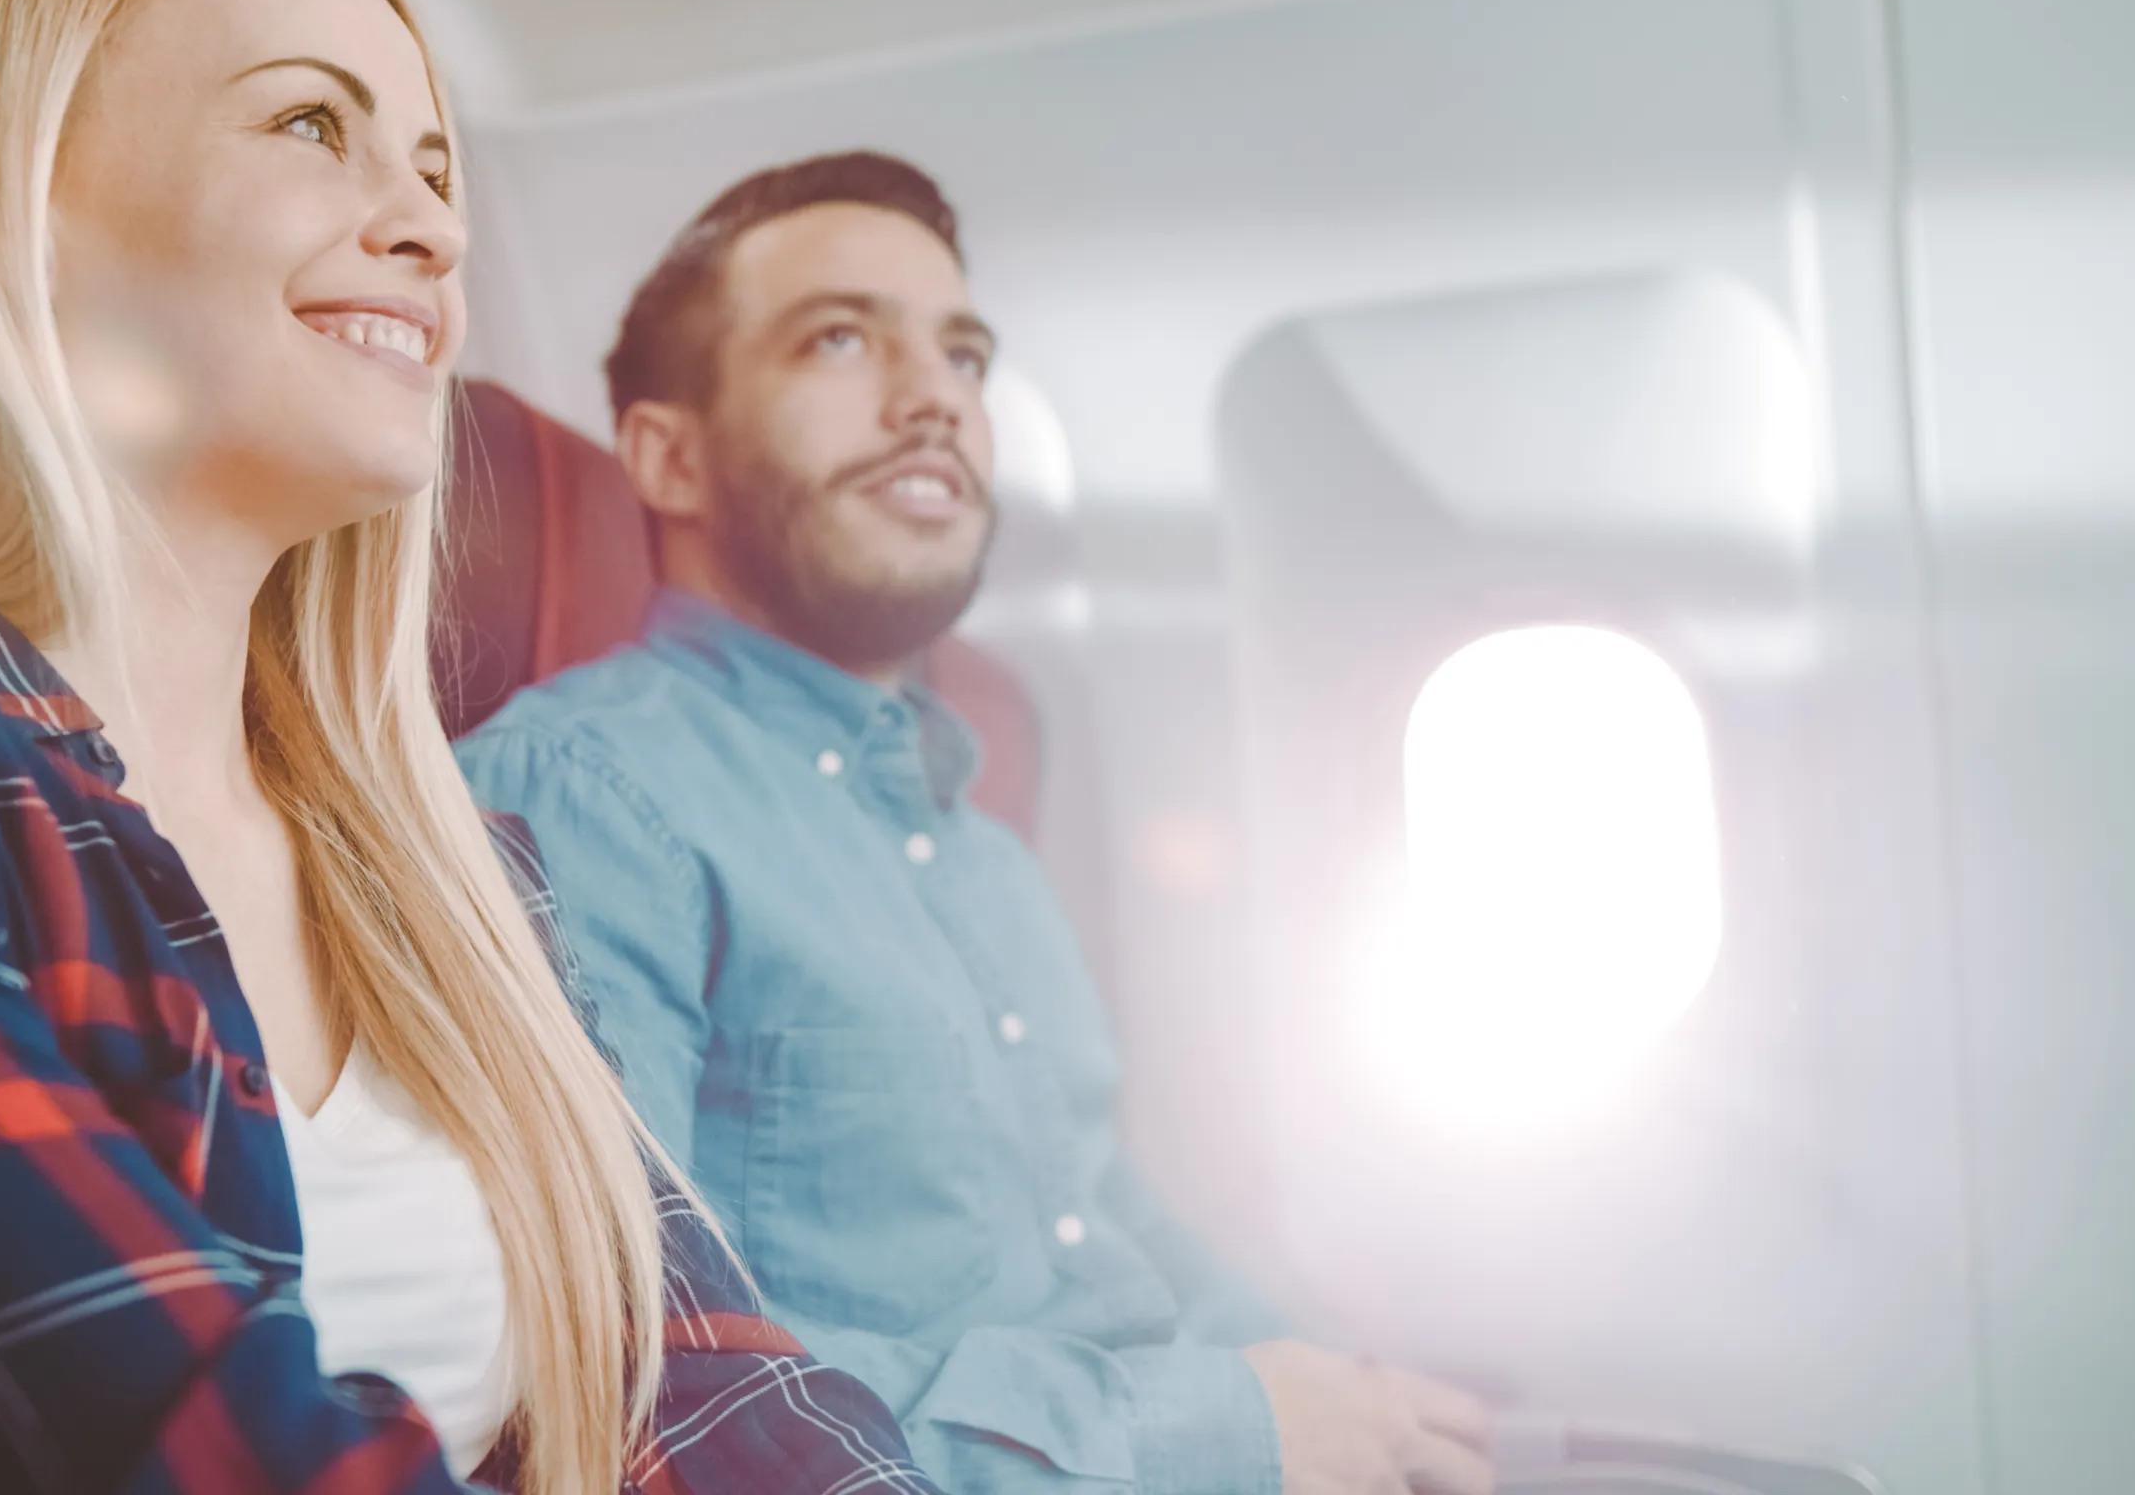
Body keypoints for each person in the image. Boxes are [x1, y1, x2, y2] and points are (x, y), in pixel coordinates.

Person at [0, 0, 940, 1493]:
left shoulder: (462, 876)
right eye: (314, 124)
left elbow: (725, 1392)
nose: (434, 232)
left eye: (442, 172)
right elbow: (188, 1456)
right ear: (29, 199)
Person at [458, 152, 1499, 1495]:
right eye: (840, 340)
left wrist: (1344, 1402)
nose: (932, 399)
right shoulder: (582, 795)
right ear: (669, 455)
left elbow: (1106, 1229)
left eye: (963, 355)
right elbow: (629, 1374)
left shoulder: (985, 853)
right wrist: (1223, 1433)